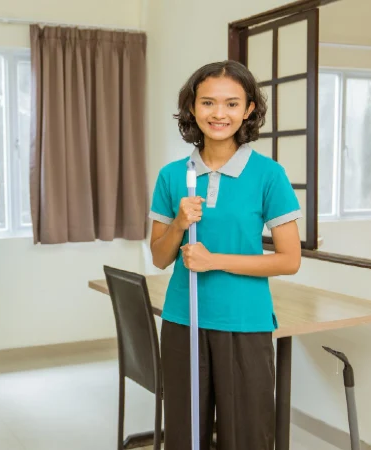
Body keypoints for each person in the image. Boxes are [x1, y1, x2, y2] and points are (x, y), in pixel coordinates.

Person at [148, 60, 302, 450]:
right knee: (185, 436)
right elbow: (159, 257)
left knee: (247, 436)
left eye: (232, 104)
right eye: (208, 103)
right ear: (192, 108)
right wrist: (179, 224)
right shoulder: (171, 176)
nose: (219, 114)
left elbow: (289, 260)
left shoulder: (269, 175)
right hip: (184, 320)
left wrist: (214, 260)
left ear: (249, 109)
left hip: (245, 322)